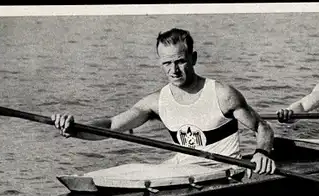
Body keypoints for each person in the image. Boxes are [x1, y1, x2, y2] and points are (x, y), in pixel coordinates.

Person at [52, 28, 276, 175]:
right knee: (127, 171)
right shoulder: (157, 102)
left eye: (180, 61)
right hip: (182, 170)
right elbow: (111, 126)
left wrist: (262, 153)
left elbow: (262, 128)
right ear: (160, 63)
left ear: (193, 58)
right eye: (167, 63)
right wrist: (75, 129)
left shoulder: (222, 94)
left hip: (224, 172)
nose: (174, 70)